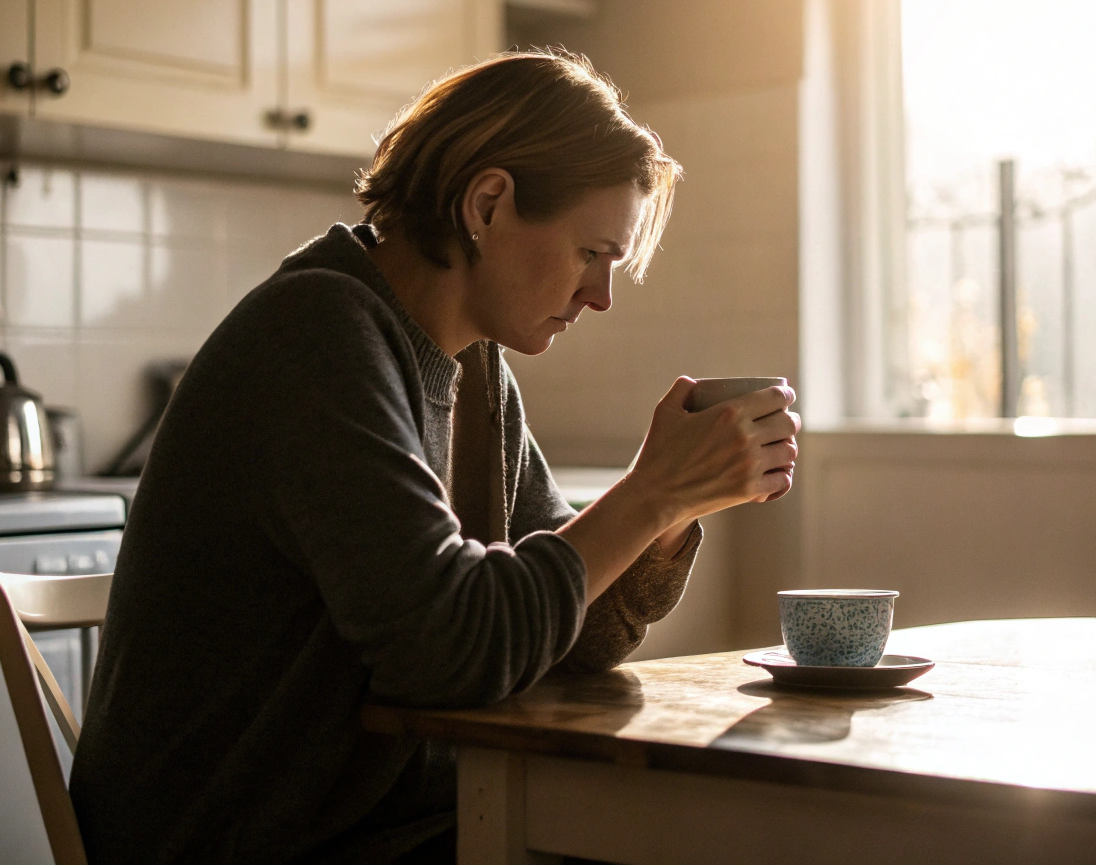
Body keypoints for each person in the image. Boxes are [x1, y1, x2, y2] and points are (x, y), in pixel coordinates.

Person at [69, 48, 800, 863]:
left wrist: (676, 506)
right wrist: (650, 496)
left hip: (394, 820)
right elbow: (451, 651)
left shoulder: (474, 366)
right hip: (248, 840)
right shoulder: (315, 335)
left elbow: (569, 634)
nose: (600, 294)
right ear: (488, 204)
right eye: (591, 253)